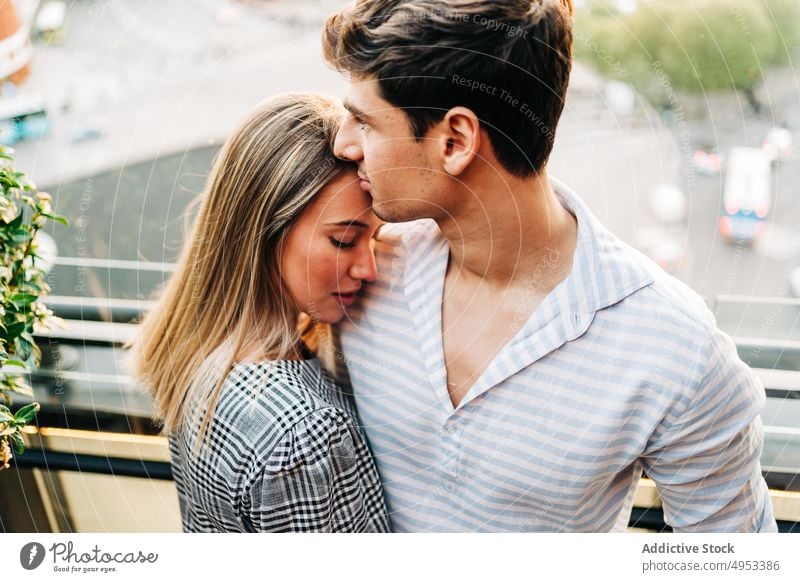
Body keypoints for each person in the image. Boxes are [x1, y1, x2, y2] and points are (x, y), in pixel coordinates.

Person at [323, 0, 778, 532]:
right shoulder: (359, 269)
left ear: (455, 141)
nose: (342, 143)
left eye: (364, 122)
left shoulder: (675, 348)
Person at [129, 93, 388, 532]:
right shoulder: (303, 437)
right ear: (265, 230)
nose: (369, 267)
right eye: (344, 240)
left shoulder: (193, 353)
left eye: (378, 240)